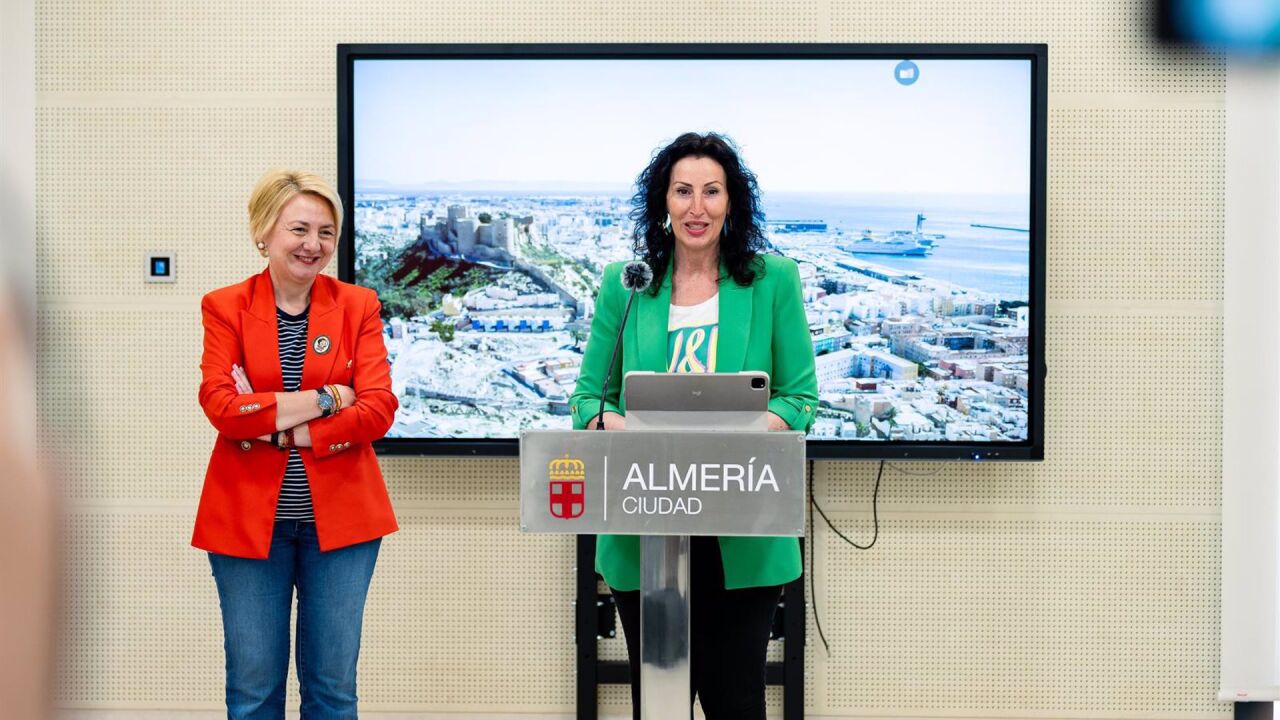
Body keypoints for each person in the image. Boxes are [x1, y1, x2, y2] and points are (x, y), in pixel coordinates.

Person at [569, 132, 818, 719]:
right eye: (683, 191)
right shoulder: (627, 284)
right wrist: (616, 426)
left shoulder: (773, 279)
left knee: (737, 703)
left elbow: (800, 398)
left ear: (732, 202)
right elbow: (587, 399)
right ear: (664, 201)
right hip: (646, 523)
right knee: (660, 706)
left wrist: (742, 435)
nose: (697, 207)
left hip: (743, 525)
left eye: (712, 191)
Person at [193, 169, 398, 719]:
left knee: (333, 691)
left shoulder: (358, 305)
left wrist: (272, 424)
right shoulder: (225, 306)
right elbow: (220, 407)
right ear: (264, 232)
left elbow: (378, 409)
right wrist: (330, 398)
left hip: (343, 521)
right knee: (253, 691)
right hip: (246, 520)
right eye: (299, 229)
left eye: (326, 233)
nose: (313, 245)